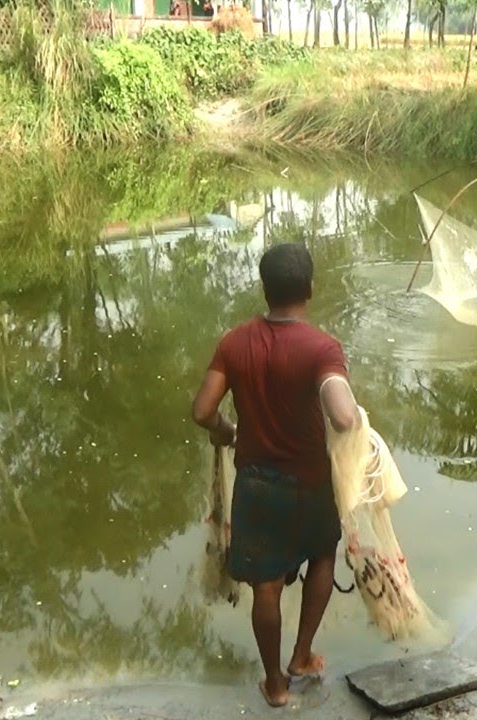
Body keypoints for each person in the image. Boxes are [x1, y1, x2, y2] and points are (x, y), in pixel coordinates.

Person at [191, 242, 359, 708]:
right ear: (309, 288)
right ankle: (301, 656)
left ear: (264, 289)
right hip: (309, 483)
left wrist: (227, 432)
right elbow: (344, 416)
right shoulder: (321, 348)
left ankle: (276, 686)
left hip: (257, 484)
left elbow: (202, 410)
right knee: (322, 554)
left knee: (265, 585)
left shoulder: (234, 342)